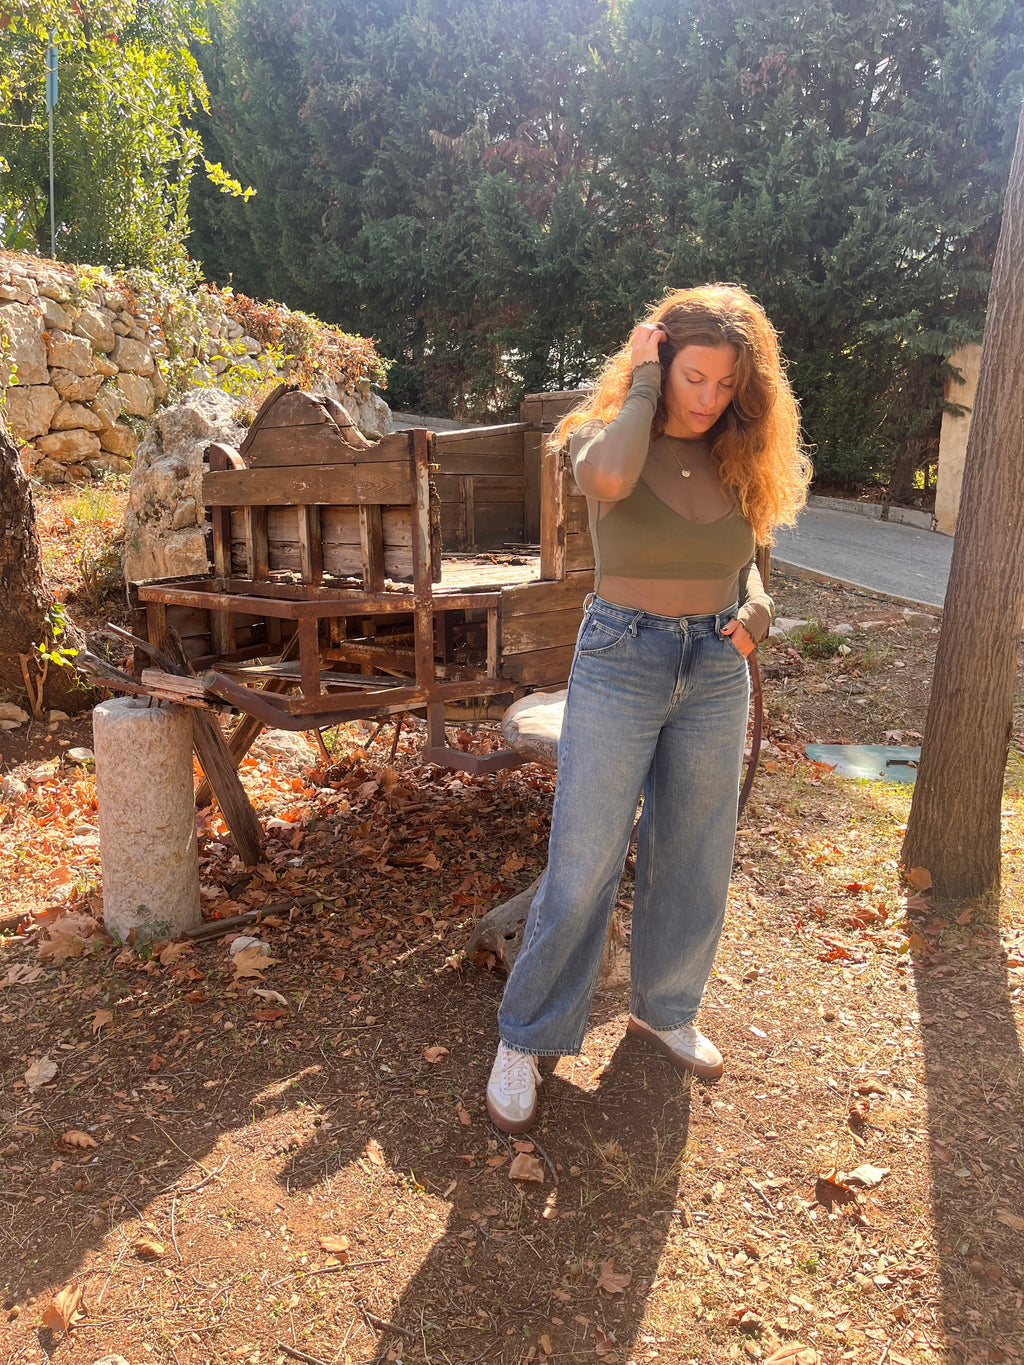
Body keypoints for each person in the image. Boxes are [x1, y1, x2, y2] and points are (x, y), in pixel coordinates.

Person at [485, 282, 812, 1133]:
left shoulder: (738, 457)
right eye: (693, 377)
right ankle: (526, 1034)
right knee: (585, 858)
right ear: (662, 364)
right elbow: (606, 477)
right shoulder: (606, 437)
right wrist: (640, 380)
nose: (708, 399)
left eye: (725, 384)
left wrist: (754, 617)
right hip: (621, 659)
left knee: (695, 850)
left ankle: (665, 1008)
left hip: (715, 667)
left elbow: (749, 567)